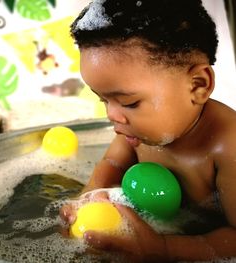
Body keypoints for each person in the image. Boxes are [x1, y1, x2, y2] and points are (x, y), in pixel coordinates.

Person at [59, 0, 236, 262]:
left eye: (129, 103)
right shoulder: (137, 131)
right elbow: (110, 164)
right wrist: (84, 200)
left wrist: (163, 248)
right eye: (104, 100)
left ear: (198, 85)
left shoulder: (228, 147)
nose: (112, 115)